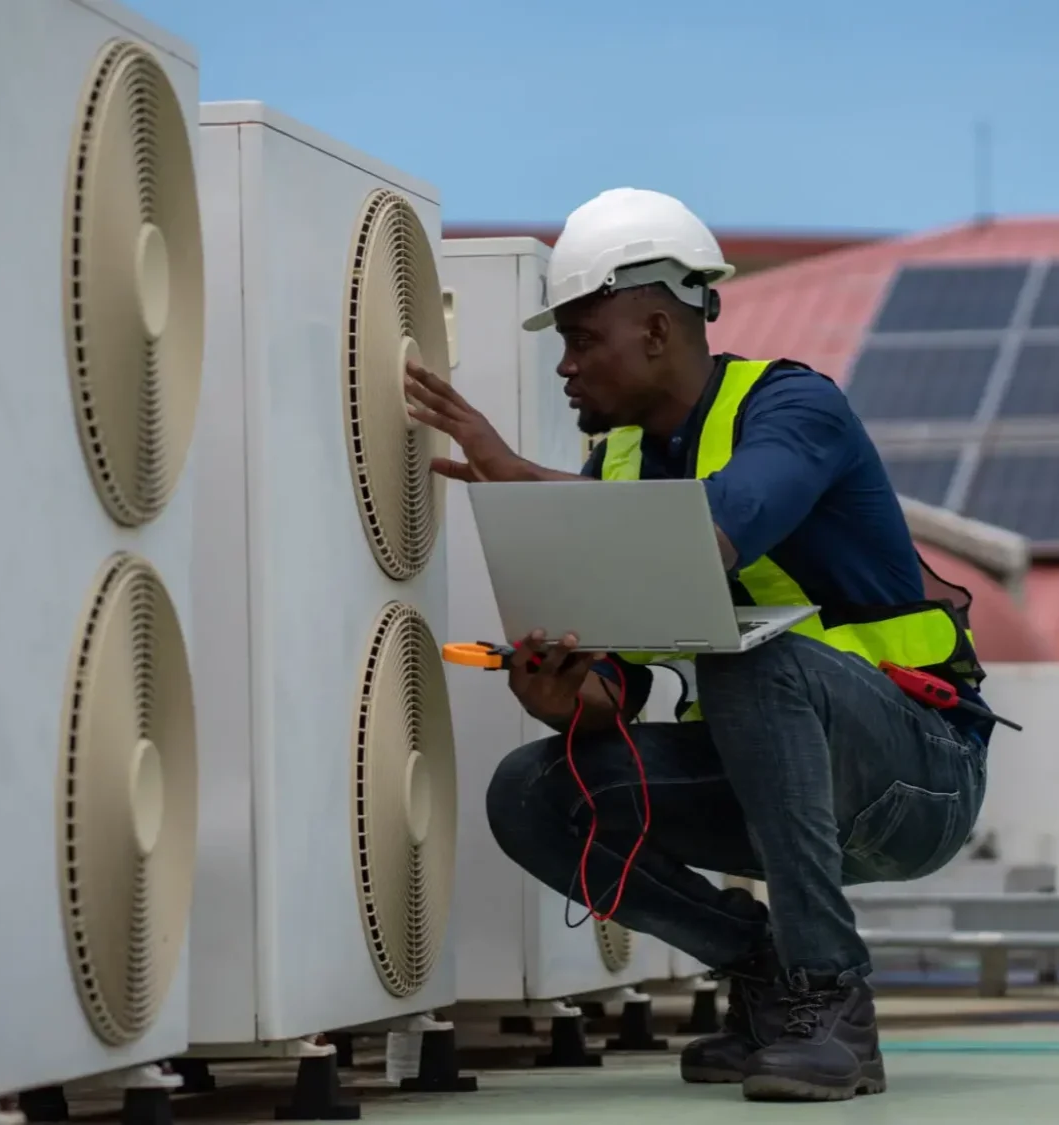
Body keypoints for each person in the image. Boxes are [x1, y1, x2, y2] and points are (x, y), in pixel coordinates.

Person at [404, 187, 995, 1103]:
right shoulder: (622, 463)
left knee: (752, 656)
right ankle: (764, 970)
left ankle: (829, 996)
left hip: (918, 776)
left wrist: (520, 478)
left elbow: (718, 528)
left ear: (654, 329)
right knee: (530, 791)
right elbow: (623, 689)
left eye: (581, 340)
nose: (566, 369)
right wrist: (566, 696)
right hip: (773, 779)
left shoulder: (796, 408)